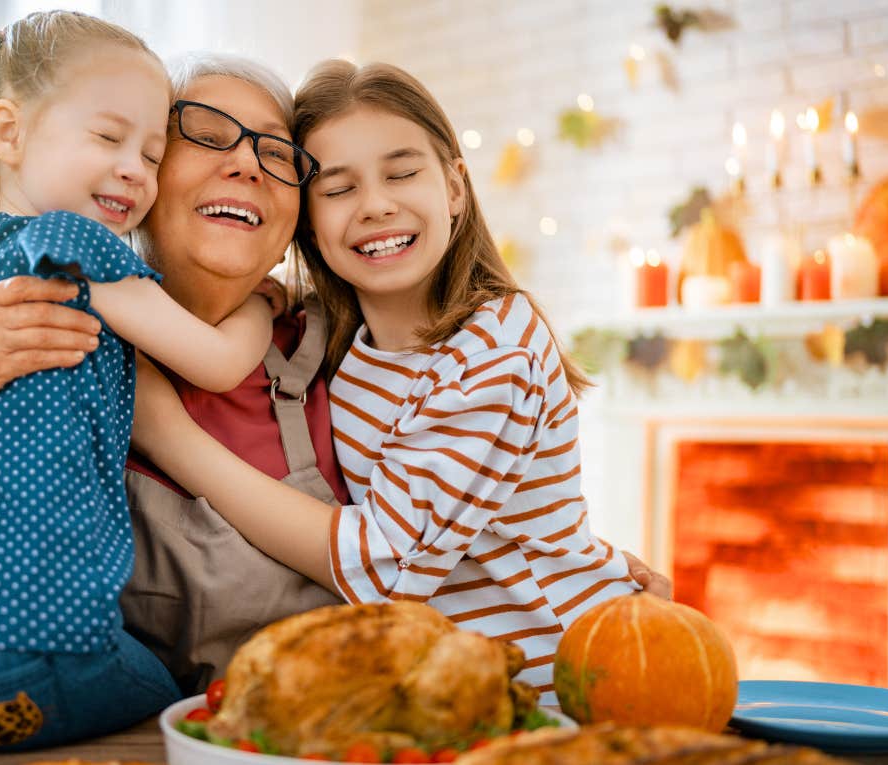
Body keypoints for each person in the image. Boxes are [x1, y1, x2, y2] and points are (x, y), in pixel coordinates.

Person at [0, 50, 670, 720]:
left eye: (278, 154)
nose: (245, 162)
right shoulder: (36, 336)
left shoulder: (331, 343)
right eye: (205, 133)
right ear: (139, 177)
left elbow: (434, 525)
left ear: (294, 217)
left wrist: (581, 565)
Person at [0, 11, 290, 752]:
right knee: (182, 700)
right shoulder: (73, 244)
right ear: (9, 132)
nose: (134, 167)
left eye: (151, 152)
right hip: (17, 658)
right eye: (108, 138)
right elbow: (220, 361)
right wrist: (264, 298)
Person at [130, 60, 641, 703]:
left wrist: (166, 435)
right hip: (439, 693)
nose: (376, 205)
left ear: (455, 186)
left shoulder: (494, 351)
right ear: (308, 221)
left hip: (555, 691)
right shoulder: (334, 336)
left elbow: (380, 567)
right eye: (338, 189)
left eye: (402, 173)